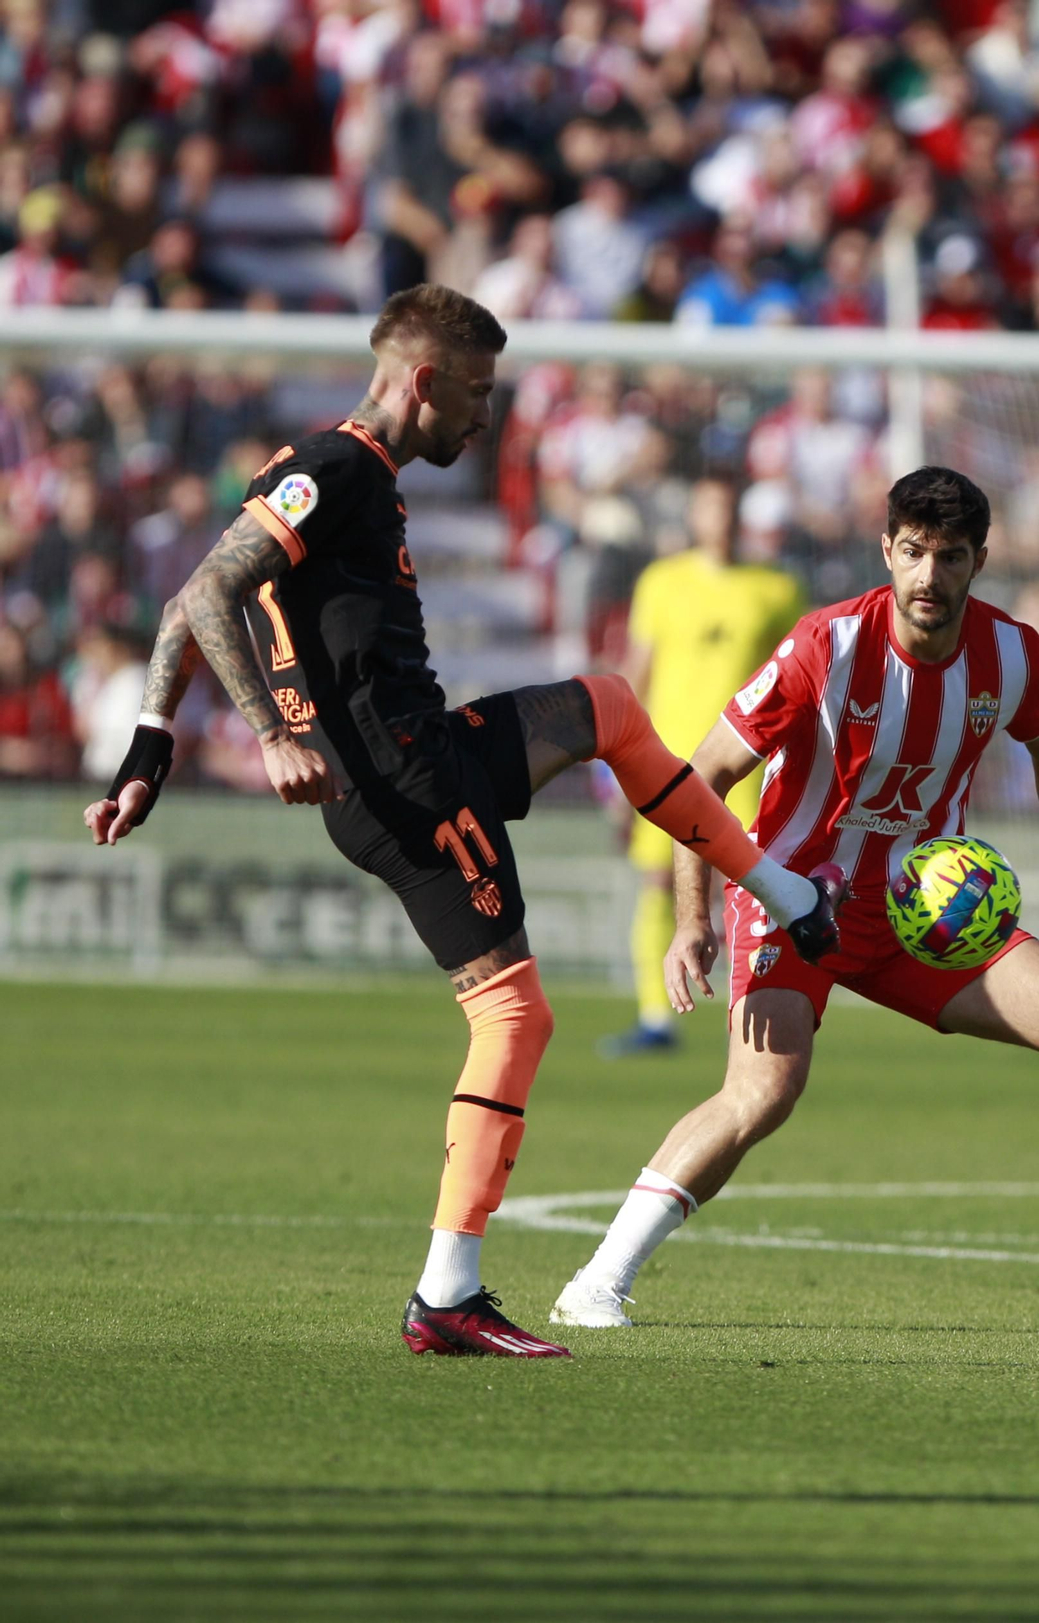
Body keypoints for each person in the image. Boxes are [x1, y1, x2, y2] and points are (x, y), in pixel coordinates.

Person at [82, 284, 842, 1361]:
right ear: (424, 381)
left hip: (422, 750)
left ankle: (782, 892)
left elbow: (183, 610)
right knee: (515, 1017)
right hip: (404, 783)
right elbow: (207, 592)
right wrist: (268, 733)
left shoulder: (327, 476)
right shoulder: (339, 467)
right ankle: (448, 1292)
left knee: (610, 709)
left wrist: (148, 752)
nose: (484, 421)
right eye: (476, 395)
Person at [552, 466, 1039, 1339]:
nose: (928, 576)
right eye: (912, 552)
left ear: (979, 560)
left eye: (949, 557)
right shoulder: (824, 645)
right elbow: (702, 774)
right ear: (886, 550)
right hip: (795, 897)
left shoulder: (1012, 654)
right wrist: (695, 915)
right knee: (764, 1089)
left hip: (921, 909)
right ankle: (598, 1279)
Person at [604, 474, 806, 1055]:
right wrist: (615, 758)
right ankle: (655, 1017)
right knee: (658, 883)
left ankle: (761, 1010)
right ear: (693, 513)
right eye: (708, 505)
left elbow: (796, 677)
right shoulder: (663, 582)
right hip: (663, 761)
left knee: (754, 883)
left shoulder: (774, 588)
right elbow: (637, 670)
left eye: (727, 505)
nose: (718, 517)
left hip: (742, 763)